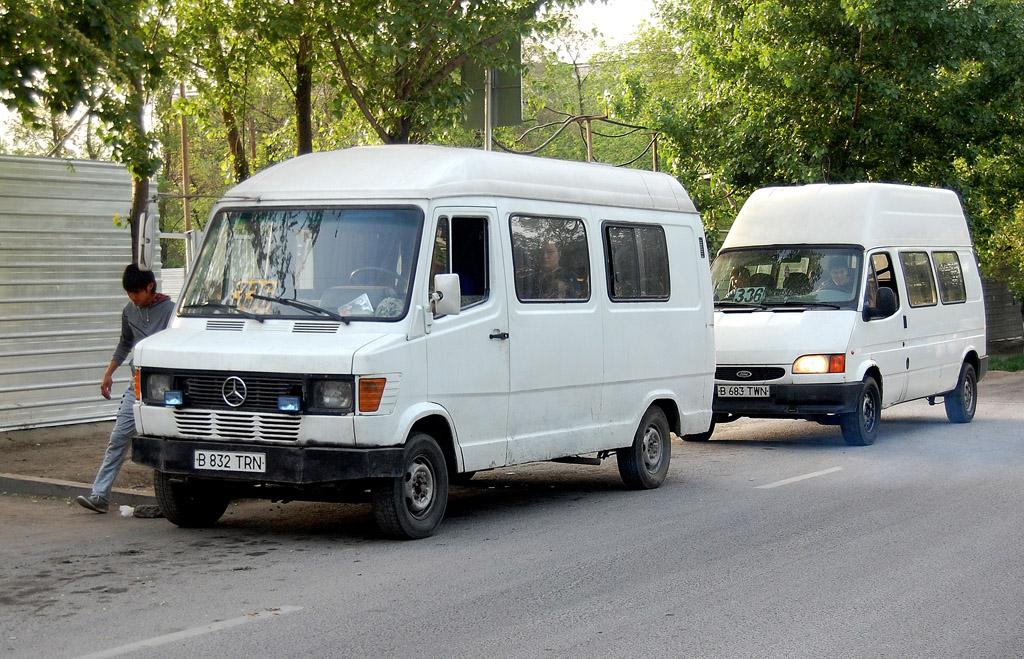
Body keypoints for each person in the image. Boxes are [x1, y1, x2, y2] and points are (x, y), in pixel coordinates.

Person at [76, 264, 175, 514]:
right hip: (138, 385)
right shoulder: (129, 311)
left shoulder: (172, 312)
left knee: (165, 440)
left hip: (166, 387)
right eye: (129, 293)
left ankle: (171, 501)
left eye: (136, 292)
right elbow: (124, 344)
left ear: (150, 287)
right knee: (119, 436)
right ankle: (99, 495)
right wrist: (109, 373)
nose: (132, 297)